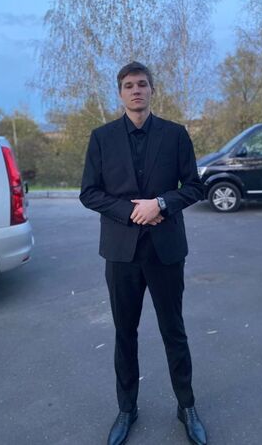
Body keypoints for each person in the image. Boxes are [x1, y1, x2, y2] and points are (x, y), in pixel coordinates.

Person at [80, 61, 207, 445]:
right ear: (120, 93)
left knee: (174, 331)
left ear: (152, 90)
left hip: (166, 251)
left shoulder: (175, 134)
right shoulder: (102, 138)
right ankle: (127, 408)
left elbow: (195, 187)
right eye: (129, 85)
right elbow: (89, 192)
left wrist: (161, 204)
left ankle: (186, 406)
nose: (136, 90)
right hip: (121, 252)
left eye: (142, 84)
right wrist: (132, 211)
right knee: (124, 333)